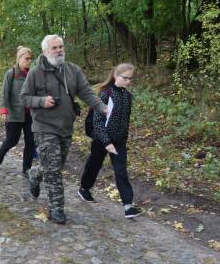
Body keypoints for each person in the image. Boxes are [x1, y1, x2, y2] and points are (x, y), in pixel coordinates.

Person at [20, 34, 106, 224]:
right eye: (54, 48)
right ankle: (57, 208)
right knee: (53, 170)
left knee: (55, 165)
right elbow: (24, 98)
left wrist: (102, 107)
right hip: (43, 127)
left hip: (65, 127)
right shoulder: (35, 73)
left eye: (61, 47)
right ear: (45, 51)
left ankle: (34, 175)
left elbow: (86, 92)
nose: (59, 50)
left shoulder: (73, 70)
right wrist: (41, 101)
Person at [78, 63, 142, 218]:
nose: (128, 81)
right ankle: (84, 189)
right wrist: (107, 142)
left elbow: (125, 120)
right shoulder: (105, 94)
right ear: (115, 76)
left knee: (121, 171)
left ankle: (128, 206)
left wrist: (122, 139)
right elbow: (98, 122)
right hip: (102, 138)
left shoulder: (127, 96)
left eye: (130, 79)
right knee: (94, 163)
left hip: (119, 140)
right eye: (125, 78)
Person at [0, 46, 35, 176]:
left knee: (30, 141)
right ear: (19, 59)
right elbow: (5, 93)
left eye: (30, 58)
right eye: (26, 58)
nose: (29, 61)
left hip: (30, 114)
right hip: (14, 113)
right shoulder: (11, 74)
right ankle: (0, 154)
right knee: (13, 140)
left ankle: (26, 169)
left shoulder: (32, 74)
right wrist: (4, 110)